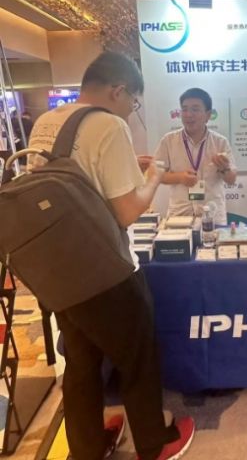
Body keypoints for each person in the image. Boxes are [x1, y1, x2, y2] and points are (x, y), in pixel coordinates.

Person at [28, 51, 195, 460]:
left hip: (57, 270)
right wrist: (154, 174)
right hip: (106, 271)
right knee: (137, 359)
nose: (131, 111)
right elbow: (126, 212)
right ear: (119, 91)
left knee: (81, 363)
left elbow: (76, 182)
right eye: (134, 102)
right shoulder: (109, 124)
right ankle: (154, 444)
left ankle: (86, 449)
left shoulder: (46, 122)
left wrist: (128, 166)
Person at [154, 88, 237, 224]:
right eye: (184, 109)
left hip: (212, 216)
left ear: (208, 115)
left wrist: (224, 168)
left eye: (195, 109)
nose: (188, 115)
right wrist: (180, 177)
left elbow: (231, 179)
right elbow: (156, 175)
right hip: (179, 216)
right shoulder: (168, 141)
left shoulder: (220, 142)